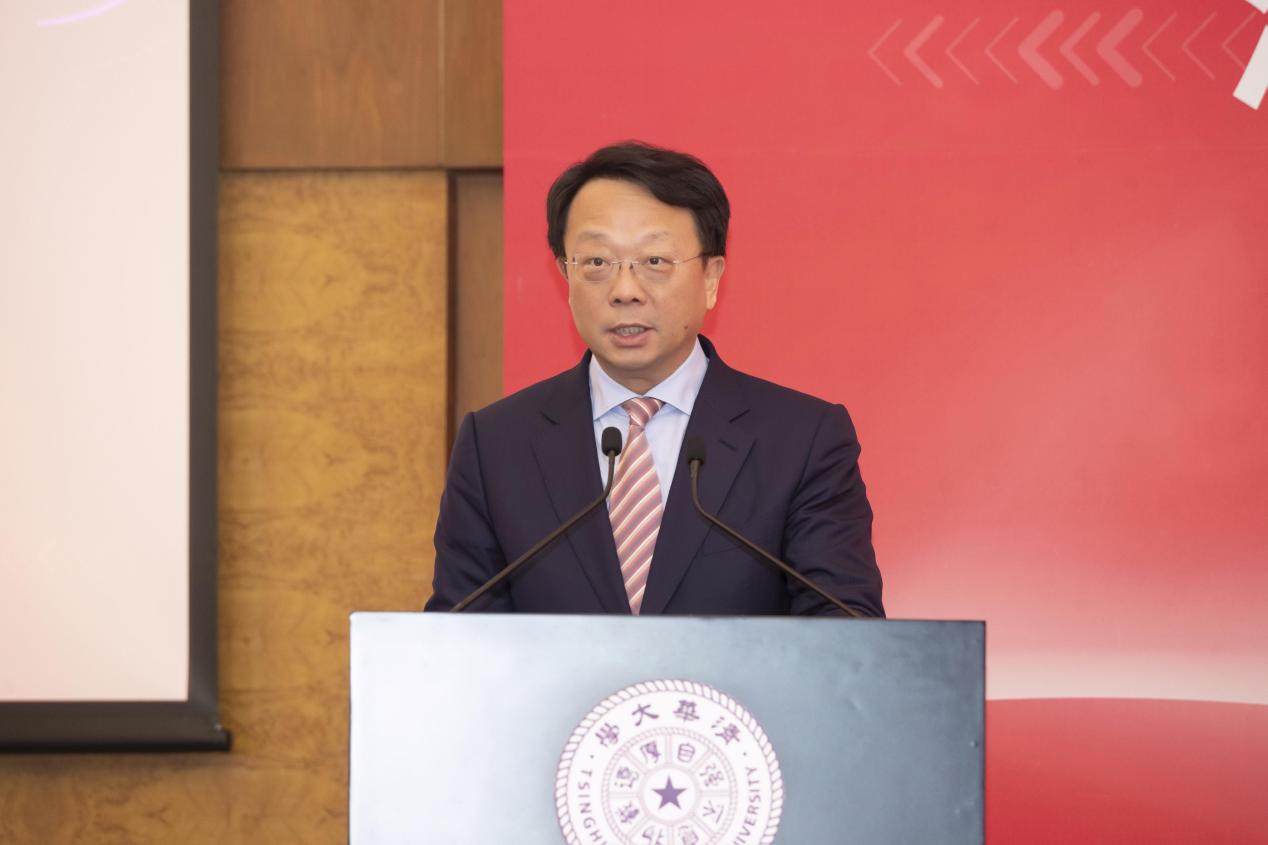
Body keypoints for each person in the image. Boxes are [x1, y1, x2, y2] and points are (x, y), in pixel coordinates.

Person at [424, 142, 883, 616]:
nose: (625, 291)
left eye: (655, 261)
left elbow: (845, 634)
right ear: (565, 275)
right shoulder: (496, 446)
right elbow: (458, 637)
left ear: (711, 278)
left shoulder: (802, 441)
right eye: (596, 263)